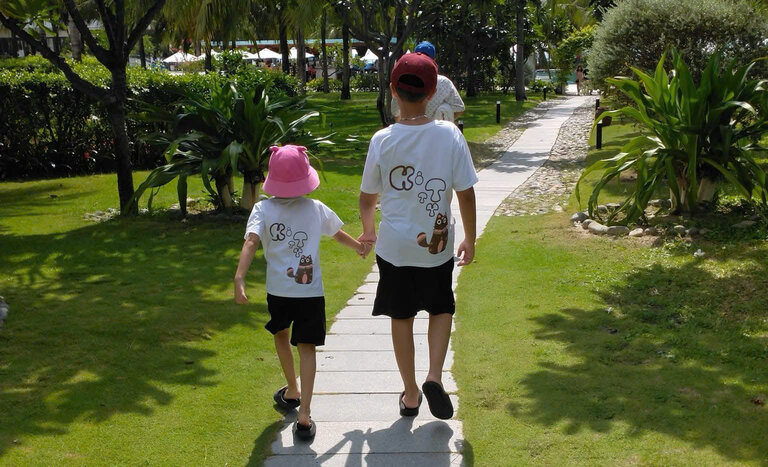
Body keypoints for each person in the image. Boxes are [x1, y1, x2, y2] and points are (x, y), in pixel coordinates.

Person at [359, 52, 478, 420]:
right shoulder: (449, 136)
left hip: (395, 248)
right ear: (432, 92)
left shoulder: (382, 139)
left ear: (393, 89)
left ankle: (411, 394)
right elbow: (466, 192)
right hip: (437, 250)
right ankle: (434, 376)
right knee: (441, 308)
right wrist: (470, 239)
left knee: (402, 317)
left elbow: (367, 198)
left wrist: (368, 230)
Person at [234, 144, 369, 440]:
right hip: (310, 294)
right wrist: (359, 246)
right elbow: (337, 234)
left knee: (281, 335)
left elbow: (251, 242)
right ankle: (304, 413)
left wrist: (239, 277)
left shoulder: (263, 208)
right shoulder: (315, 208)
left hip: (279, 292)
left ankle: (291, 389)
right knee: (307, 348)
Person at [390, 41, 465, 123]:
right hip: (435, 132)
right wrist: (444, 123)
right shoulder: (444, 82)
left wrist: (403, 126)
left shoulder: (403, 81)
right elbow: (459, 108)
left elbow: (395, 112)